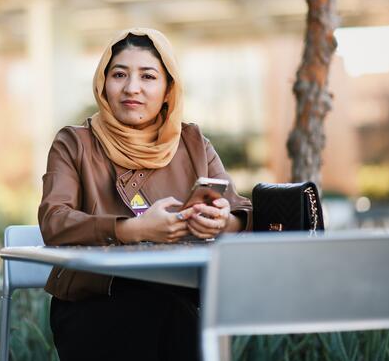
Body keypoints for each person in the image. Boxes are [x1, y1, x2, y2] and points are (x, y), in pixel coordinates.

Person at [38, 28, 252, 361]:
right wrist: (132, 230)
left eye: (148, 76)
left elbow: (241, 210)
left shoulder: (194, 143)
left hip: (178, 297)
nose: (131, 88)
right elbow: (54, 221)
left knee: (174, 314)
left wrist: (221, 222)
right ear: (102, 83)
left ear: (169, 89)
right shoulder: (74, 143)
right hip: (93, 302)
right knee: (165, 317)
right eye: (119, 74)